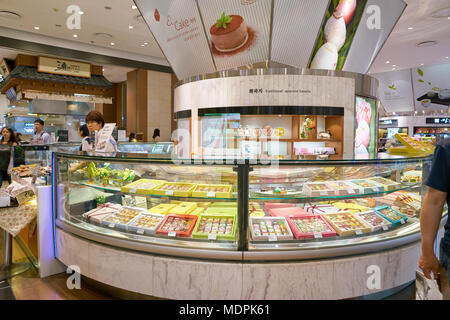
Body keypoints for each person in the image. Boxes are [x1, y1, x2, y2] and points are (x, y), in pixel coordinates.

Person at [419, 139, 450, 299]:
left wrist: (427, 252)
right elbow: (434, 201)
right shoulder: (446, 149)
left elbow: (434, 200)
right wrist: (427, 252)